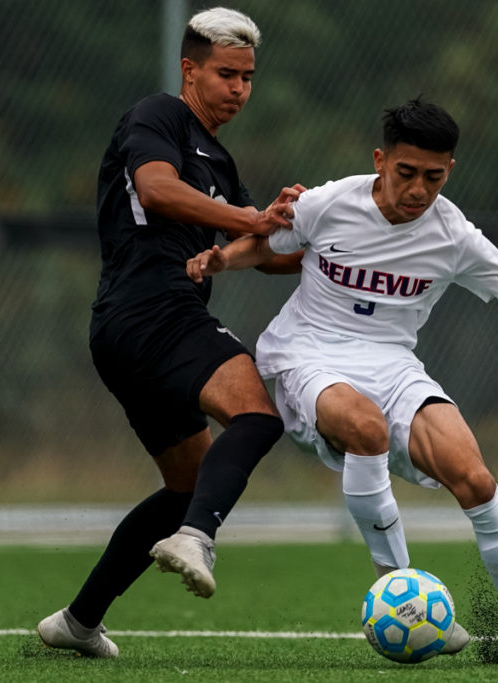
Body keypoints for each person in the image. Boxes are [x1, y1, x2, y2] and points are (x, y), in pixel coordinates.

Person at [186, 99, 498, 667]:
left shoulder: (455, 236)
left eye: (433, 177)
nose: (417, 189)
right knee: (365, 428)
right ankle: (399, 592)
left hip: (393, 365)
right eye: (405, 173)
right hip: (304, 355)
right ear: (380, 160)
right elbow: (268, 246)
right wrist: (220, 261)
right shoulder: (327, 203)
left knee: (476, 478)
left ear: (450, 171)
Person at [37, 7, 304, 658]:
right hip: (151, 308)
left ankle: (77, 620)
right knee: (257, 415)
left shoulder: (220, 156)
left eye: (247, 77)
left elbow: (259, 249)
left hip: (133, 328)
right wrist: (249, 214)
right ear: (190, 71)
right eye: (225, 74)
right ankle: (195, 537)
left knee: (188, 481)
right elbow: (156, 190)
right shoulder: (157, 116)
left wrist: (335, 245)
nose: (239, 88)